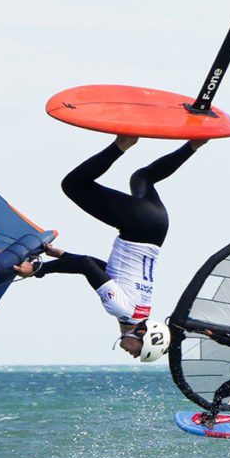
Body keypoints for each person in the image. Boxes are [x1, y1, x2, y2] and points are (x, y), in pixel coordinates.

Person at [14, 134, 207, 357]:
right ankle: (121, 144)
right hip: (139, 226)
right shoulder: (120, 309)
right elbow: (86, 266)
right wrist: (38, 269)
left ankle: (193, 145)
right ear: (141, 335)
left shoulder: (140, 309)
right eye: (139, 352)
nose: (132, 355)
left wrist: (62, 255)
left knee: (142, 177)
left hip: (158, 226)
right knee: (74, 185)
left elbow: (107, 270)